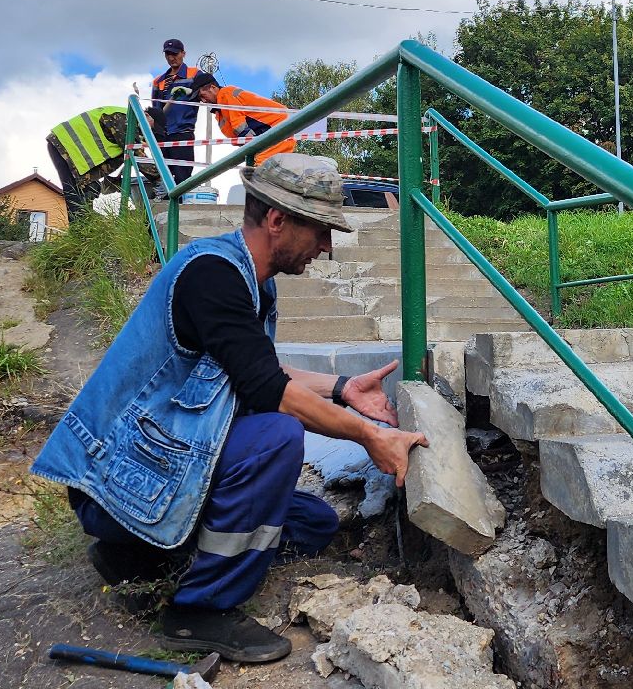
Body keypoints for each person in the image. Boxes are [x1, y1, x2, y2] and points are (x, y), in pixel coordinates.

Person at [30, 154, 428, 662]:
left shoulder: (252, 280)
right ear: (278, 220)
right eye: (321, 231)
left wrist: (343, 386)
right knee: (277, 436)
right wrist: (371, 436)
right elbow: (267, 388)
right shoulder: (212, 276)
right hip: (118, 484)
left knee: (313, 525)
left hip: (158, 470)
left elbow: (247, 368)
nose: (327, 247)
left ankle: (138, 557)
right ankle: (199, 612)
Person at [45, 106, 130, 220]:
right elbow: (138, 154)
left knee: (85, 190)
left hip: (76, 156)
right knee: (74, 192)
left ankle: (85, 228)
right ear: (147, 116)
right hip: (63, 145)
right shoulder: (124, 118)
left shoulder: (127, 122)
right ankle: (80, 230)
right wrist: (158, 180)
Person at [192, 72, 296, 166]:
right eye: (199, 99)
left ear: (213, 87)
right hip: (272, 133)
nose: (203, 101)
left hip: (278, 128)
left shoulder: (226, 94)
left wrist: (252, 150)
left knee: (260, 166)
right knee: (258, 168)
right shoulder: (219, 112)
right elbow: (238, 138)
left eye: (202, 95)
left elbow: (240, 129)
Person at [150, 39, 202, 193]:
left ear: (183, 54)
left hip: (182, 132)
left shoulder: (194, 74)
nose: (171, 58)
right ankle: (164, 206)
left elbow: (209, 92)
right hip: (162, 134)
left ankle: (180, 210)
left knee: (182, 176)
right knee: (162, 175)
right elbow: (156, 108)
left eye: (175, 54)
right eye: (168, 54)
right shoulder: (158, 81)